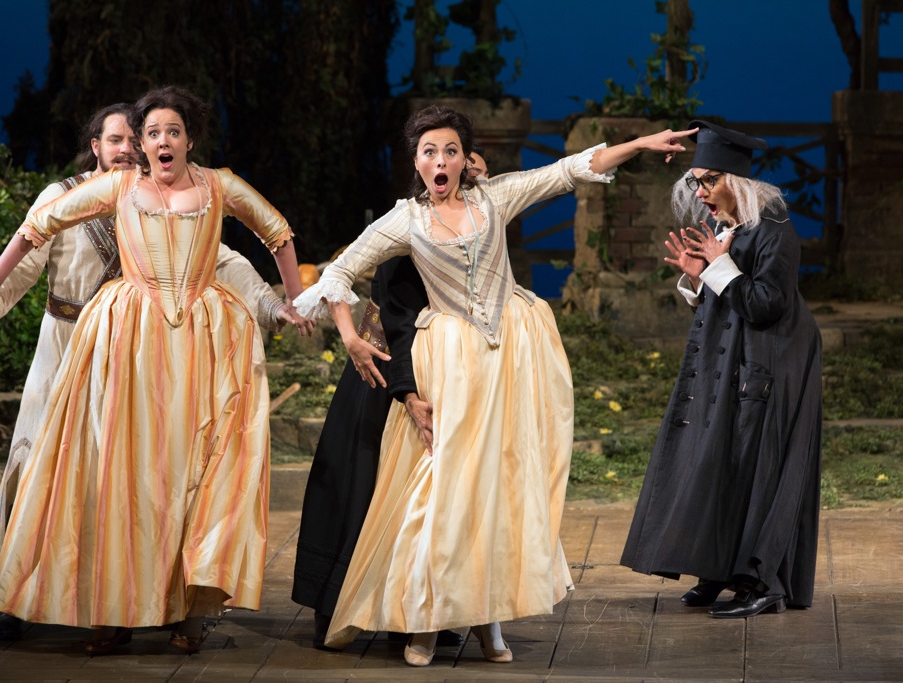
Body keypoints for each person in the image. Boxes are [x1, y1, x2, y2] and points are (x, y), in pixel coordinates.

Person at [293, 105, 693, 666]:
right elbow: (338, 272)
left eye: (450, 150)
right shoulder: (405, 220)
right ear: (416, 161)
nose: (440, 160)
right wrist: (351, 337)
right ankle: (426, 618)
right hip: (449, 361)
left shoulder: (495, 198)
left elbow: (570, 169)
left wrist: (641, 144)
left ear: (465, 159)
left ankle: (488, 619)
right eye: (429, 151)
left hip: (509, 356)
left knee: (502, 488)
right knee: (444, 490)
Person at [0, 85, 308, 654]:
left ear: (189, 138)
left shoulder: (217, 186)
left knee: (193, 474)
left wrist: (292, 300)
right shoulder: (118, 188)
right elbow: (38, 225)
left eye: (173, 131)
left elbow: (275, 232)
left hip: (202, 344)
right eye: (151, 134)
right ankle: (108, 609)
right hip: (125, 344)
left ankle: (188, 610)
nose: (160, 141)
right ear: (136, 145)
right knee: (116, 474)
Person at [620, 120, 823, 619]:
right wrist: (698, 278)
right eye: (696, 182)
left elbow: (766, 305)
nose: (701, 192)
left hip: (772, 362)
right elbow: (724, 298)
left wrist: (719, 268)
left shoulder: (774, 229)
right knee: (718, 460)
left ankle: (761, 581)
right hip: (730, 363)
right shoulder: (723, 228)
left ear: (737, 180)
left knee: (756, 465)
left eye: (709, 180)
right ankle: (716, 569)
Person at [292, 149, 490, 651]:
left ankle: (431, 609)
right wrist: (405, 390)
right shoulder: (412, 228)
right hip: (385, 371)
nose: (471, 178)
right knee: (365, 484)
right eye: (466, 168)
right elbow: (394, 316)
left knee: (437, 498)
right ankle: (340, 602)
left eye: (478, 172)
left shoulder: (480, 230)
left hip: (442, 376)